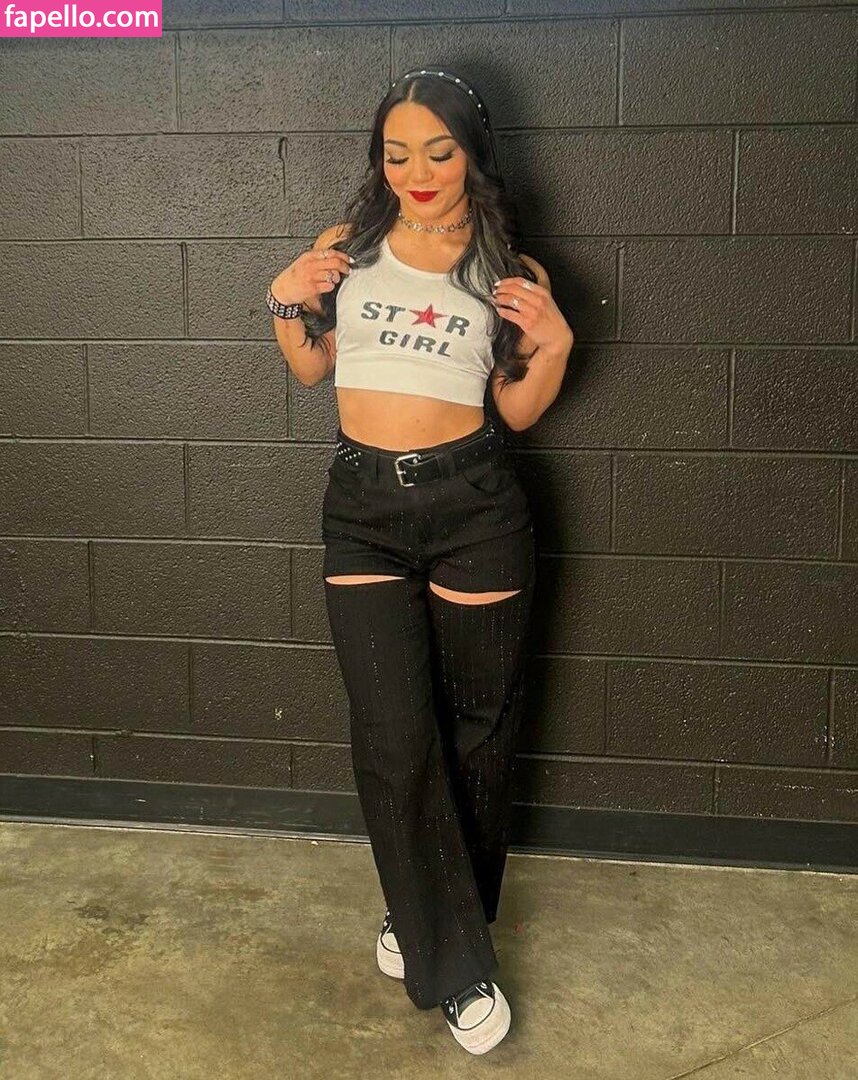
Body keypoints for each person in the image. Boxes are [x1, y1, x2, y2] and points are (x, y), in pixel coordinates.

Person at [267, 66, 574, 1055]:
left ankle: (425, 917)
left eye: (438, 152)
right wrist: (283, 298)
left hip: (474, 503)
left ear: (472, 154)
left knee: (478, 734)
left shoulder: (507, 268)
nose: (418, 172)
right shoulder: (347, 247)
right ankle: (459, 968)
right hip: (362, 507)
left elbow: (517, 410)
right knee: (395, 734)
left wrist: (556, 345)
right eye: (397, 154)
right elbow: (311, 367)